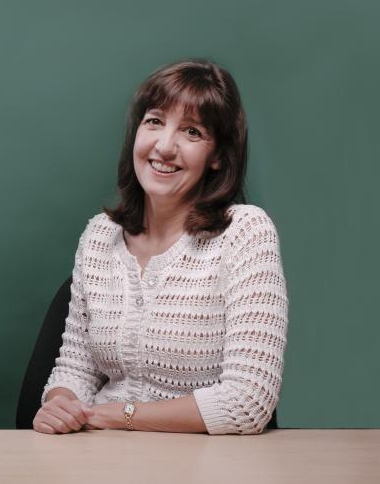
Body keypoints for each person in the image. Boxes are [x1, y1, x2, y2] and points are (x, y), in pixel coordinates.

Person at [34, 60, 288, 435]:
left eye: (191, 131)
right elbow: (75, 366)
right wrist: (59, 405)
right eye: (154, 122)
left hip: (206, 464)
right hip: (99, 454)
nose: (165, 146)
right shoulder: (100, 236)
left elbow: (248, 402)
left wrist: (121, 415)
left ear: (217, 156)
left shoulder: (245, 234)